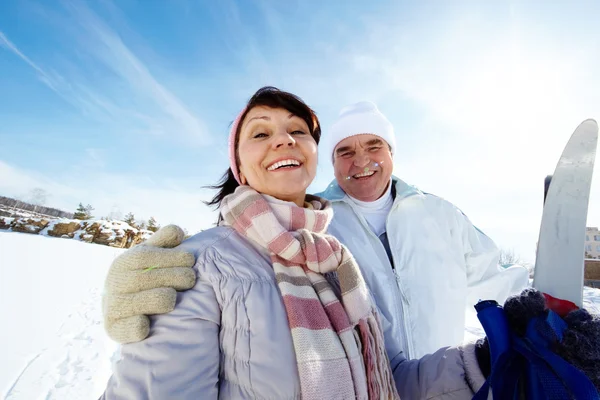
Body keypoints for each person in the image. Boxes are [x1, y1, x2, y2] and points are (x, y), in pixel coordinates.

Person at [101, 87, 599, 399]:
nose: (284, 140)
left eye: (298, 130)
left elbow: (386, 374)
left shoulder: (337, 261)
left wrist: (508, 345)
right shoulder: (205, 263)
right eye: (261, 133)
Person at [315, 101, 530, 358]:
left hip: (442, 384)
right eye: (346, 152)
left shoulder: (442, 216)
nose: (361, 161)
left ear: (391, 154)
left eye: (374, 146)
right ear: (333, 163)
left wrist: (543, 315)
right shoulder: (316, 221)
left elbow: (496, 281)